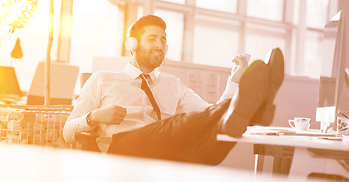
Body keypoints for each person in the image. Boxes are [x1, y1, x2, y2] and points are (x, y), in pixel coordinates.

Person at [63, 15, 284, 165]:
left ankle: (255, 110)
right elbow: (67, 131)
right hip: (123, 150)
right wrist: (94, 117)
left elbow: (210, 112)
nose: (159, 45)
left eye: (163, 40)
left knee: (214, 145)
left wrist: (234, 82)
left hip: (162, 148)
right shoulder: (103, 79)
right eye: (152, 39)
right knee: (175, 124)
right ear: (132, 44)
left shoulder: (172, 83)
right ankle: (258, 108)